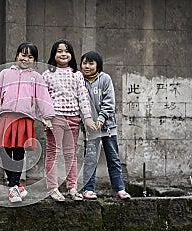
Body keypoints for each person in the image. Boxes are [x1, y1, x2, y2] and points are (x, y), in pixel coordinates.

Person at [0, 42, 55, 203]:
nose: (26, 59)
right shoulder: (5, 74)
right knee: (5, 152)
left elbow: (42, 97)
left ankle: (13, 186)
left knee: (19, 152)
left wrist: (47, 116)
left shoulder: (36, 77)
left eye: (30, 56)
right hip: (7, 117)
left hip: (24, 118)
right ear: (17, 55)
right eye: (23, 54)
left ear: (34, 60)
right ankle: (15, 185)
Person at [42, 39, 97, 202]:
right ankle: (52, 188)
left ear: (71, 55)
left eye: (66, 51)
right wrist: (45, 117)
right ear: (54, 54)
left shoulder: (77, 74)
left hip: (73, 118)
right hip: (55, 118)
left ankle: (72, 187)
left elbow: (83, 96)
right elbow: (42, 98)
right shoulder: (47, 74)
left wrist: (87, 117)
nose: (63, 54)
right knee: (53, 152)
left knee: (71, 154)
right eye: (59, 51)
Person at [80, 51, 131, 199]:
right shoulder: (79, 80)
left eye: (91, 63)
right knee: (90, 158)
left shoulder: (105, 79)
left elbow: (109, 102)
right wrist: (87, 122)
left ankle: (119, 188)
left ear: (98, 65)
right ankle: (88, 189)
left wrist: (101, 118)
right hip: (90, 129)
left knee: (113, 158)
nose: (87, 66)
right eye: (84, 63)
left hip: (108, 127)